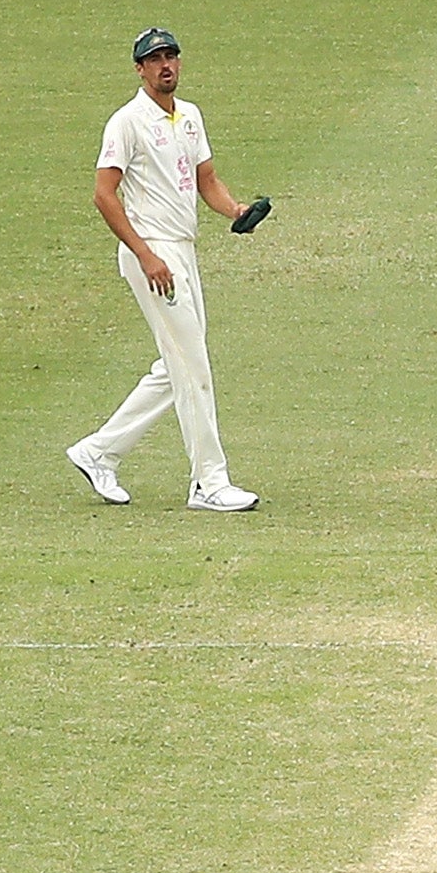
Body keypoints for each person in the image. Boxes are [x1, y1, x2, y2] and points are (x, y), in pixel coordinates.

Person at [67, 27, 269, 513]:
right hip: (152, 253)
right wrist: (145, 254)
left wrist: (235, 210)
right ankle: (208, 483)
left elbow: (207, 180)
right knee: (194, 365)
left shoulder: (191, 117)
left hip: (183, 249)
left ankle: (98, 452)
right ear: (139, 69)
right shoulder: (126, 123)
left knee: (176, 364)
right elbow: (103, 194)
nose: (165, 66)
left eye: (171, 57)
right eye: (155, 59)